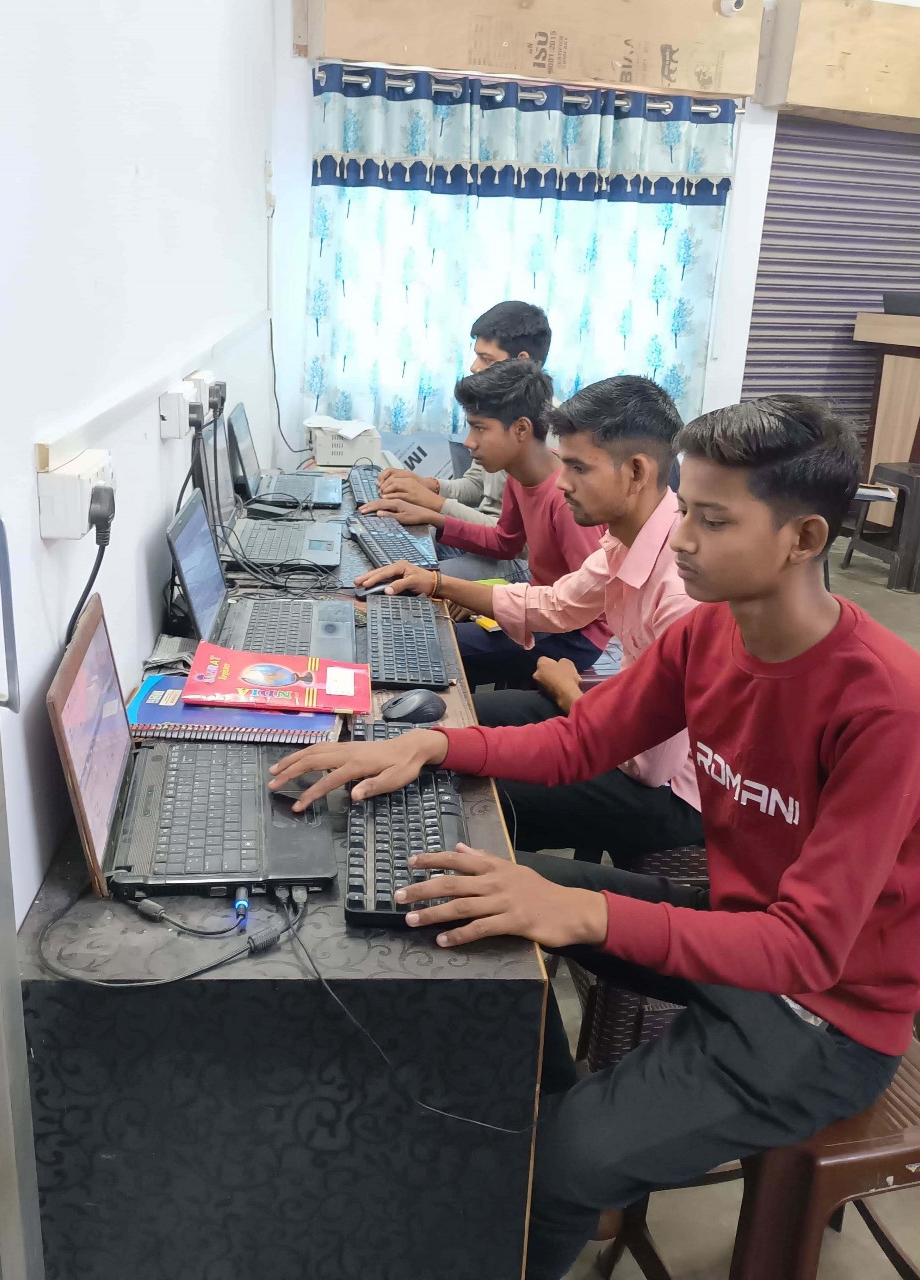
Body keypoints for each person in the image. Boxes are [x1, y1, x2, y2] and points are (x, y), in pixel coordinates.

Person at [269, 395, 920, 1280]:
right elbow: (580, 742)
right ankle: (557, 1107)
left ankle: (563, 1154)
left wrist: (582, 913)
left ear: (802, 538)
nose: (680, 539)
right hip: (734, 926)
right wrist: (432, 745)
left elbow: (804, 948)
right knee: (470, 893)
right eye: (685, 510)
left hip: (824, 1017)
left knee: (562, 1163)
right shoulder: (708, 637)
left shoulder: (883, 704)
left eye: (713, 520)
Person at [358, 375, 701, 865]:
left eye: (578, 468)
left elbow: (647, 765)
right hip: (616, 725)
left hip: (671, 792)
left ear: (636, 472)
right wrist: (437, 583)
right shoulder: (626, 539)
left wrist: (570, 695)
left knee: (468, 790)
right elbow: (556, 605)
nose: (562, 482)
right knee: (464, 719)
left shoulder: (682, 588)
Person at [367, 359, 610, 687]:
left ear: (521, 429)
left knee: (432, 642)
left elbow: (584, 604)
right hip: (540, 610)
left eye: (479, 428)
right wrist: (434, 518)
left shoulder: (566, 500)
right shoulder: (518, 475)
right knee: (427, 628)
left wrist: (490, 602)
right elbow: (505, 542)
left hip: (572, 637)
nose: (469, 441)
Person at [373, 301, 552, 581]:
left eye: (486, 359)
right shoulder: (499, 418)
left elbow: (519, 546)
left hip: (518, 564)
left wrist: (434, 504)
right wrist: (428, 486)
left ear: (522, 361)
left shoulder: (542, 434)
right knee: (395, 543)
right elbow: (476, 486)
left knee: (404, 579)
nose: (474, 367)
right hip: (491, 543)